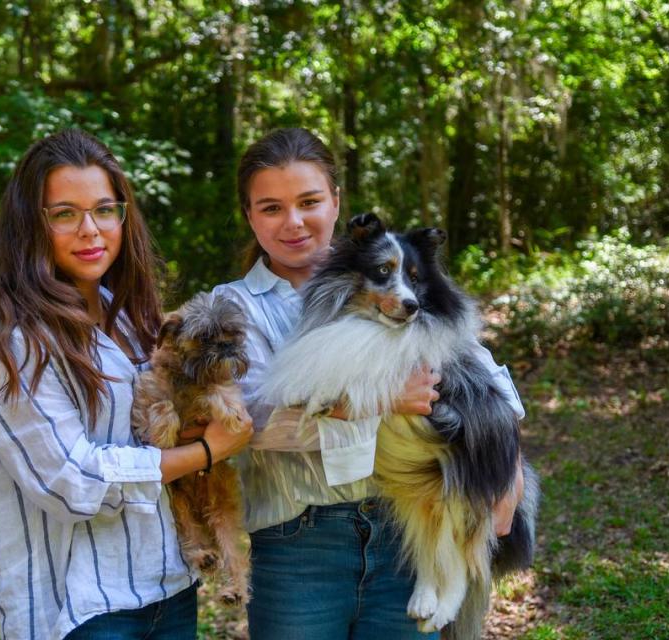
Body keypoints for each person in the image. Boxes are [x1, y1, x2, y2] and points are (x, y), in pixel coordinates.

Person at [209, 127, 526, 639]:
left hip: (408, 527)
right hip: (299, 548)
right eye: (270, 208)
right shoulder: (231, 307)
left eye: (309, 201)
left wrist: (505, 473)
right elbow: (247, 422)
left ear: (335, 202)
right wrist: (373, 403)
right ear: (249, 215)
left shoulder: (393, 272)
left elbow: (485, 381)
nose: (293, 222)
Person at [0, 129, 252, 640]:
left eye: (104, 210)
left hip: (168, 587)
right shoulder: (17, 342)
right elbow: (72, 482)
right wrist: (206, 451)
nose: (90, 229)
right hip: (83, 609)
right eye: (65, 214)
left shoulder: (134, 321)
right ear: (30, 225)